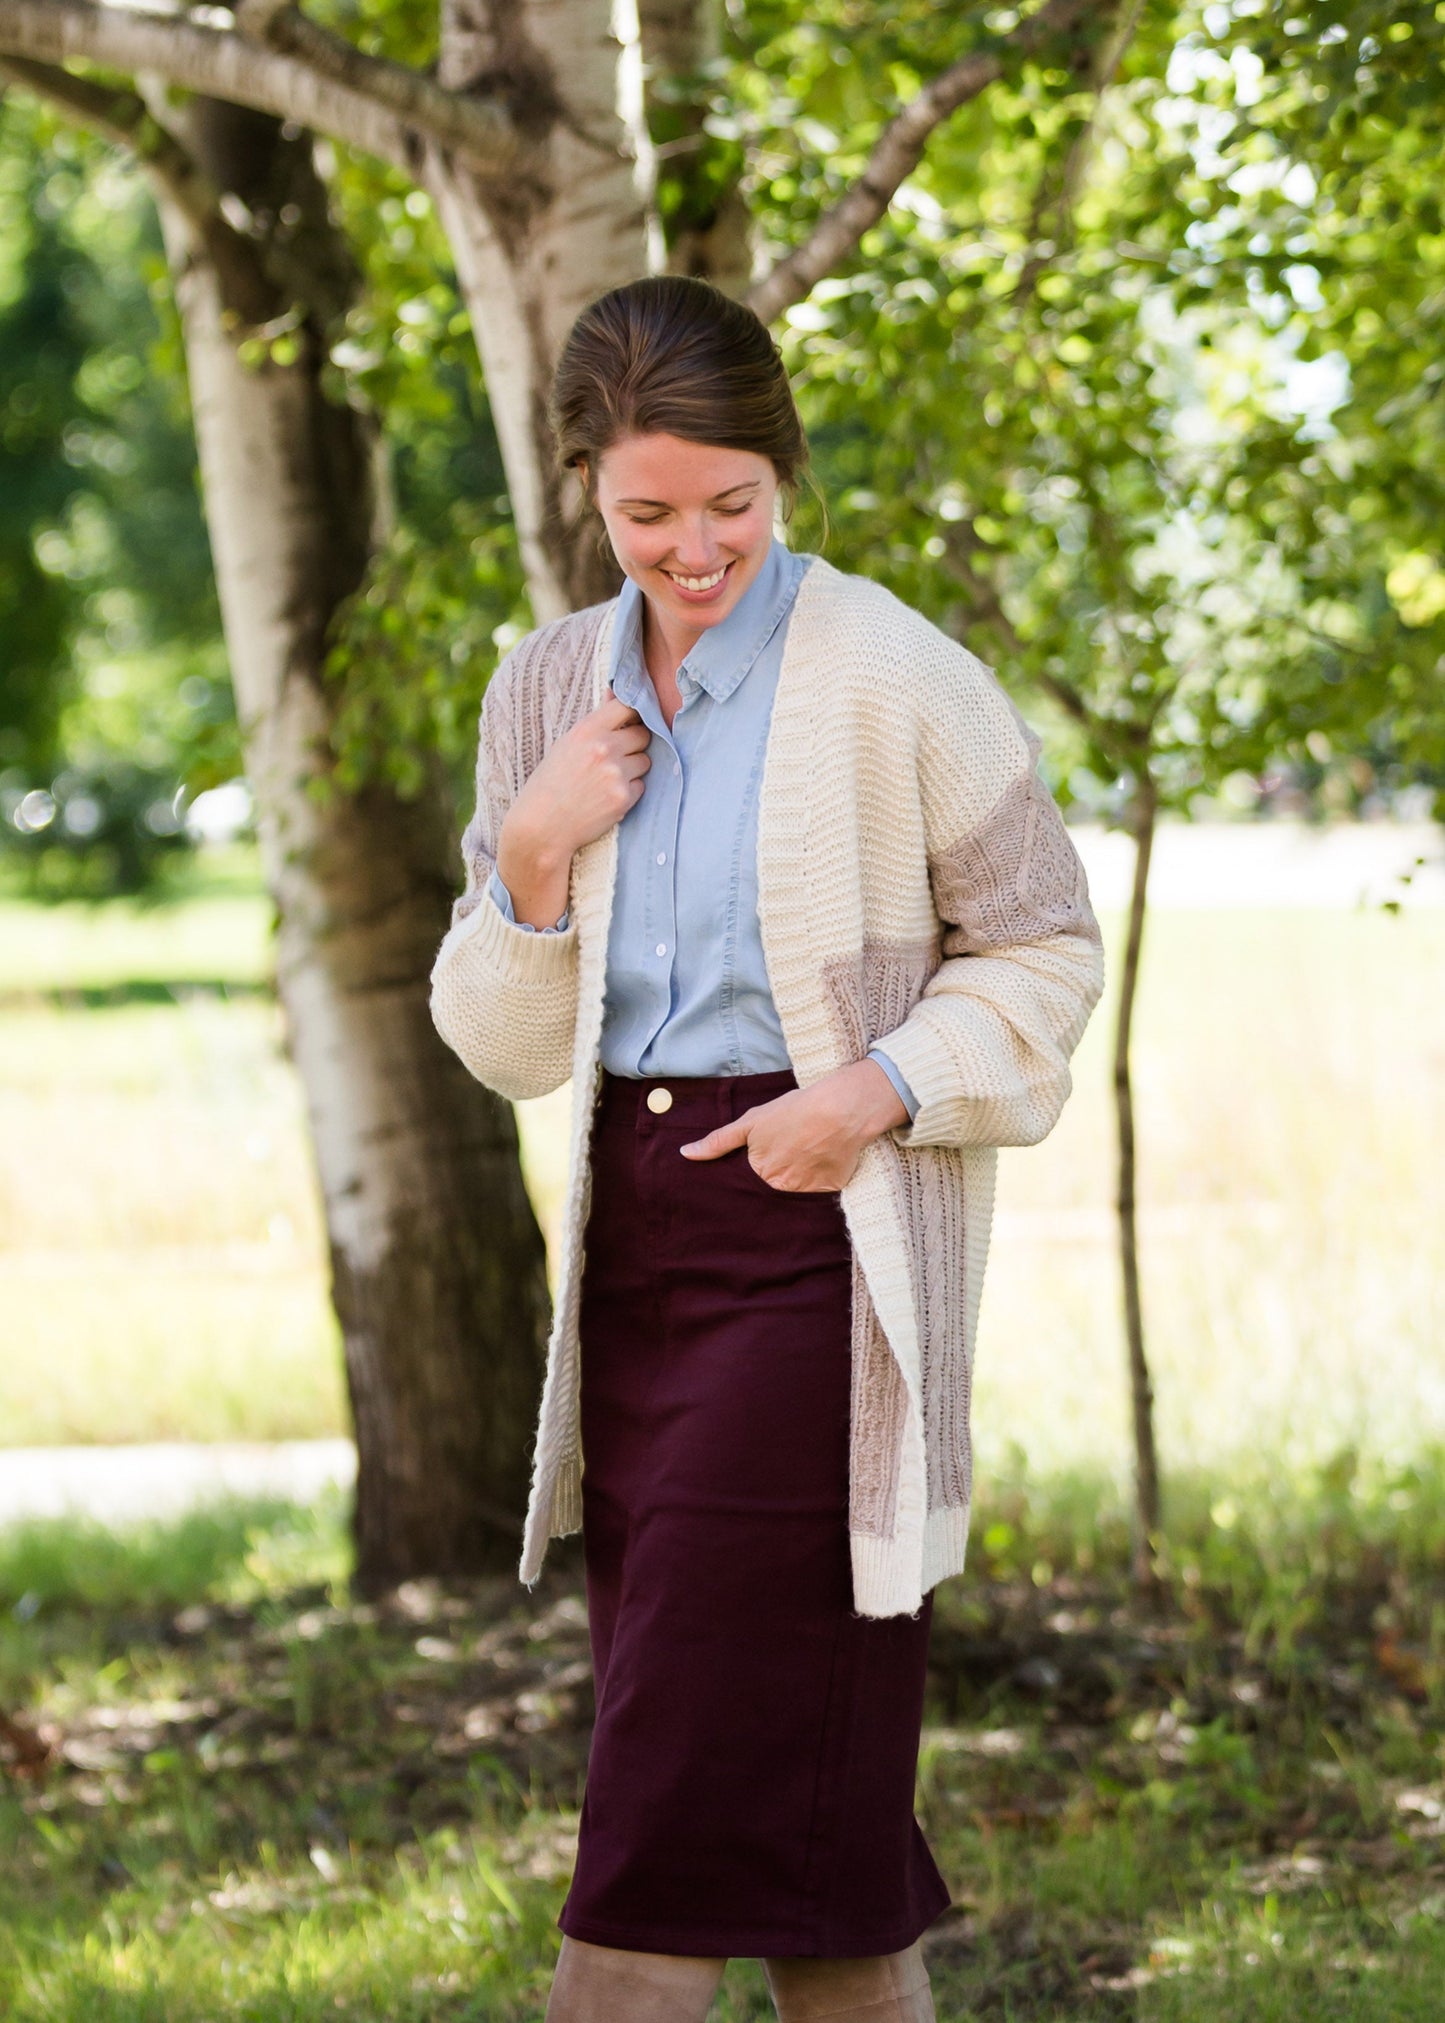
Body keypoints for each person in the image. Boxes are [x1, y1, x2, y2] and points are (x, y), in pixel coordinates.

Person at [430, 275, 1105, 2023]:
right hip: (634, 1259)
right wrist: (529, 853)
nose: (693, 546)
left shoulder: (894, 675)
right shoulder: (546, 693)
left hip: (828, 1259)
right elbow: (503, 1046)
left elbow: (1041, 950)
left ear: (781, 471)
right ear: (586, 487)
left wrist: (865, 1093)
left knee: (659, 1800)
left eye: (731, 502)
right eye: (648, 512)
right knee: (813, 1862)